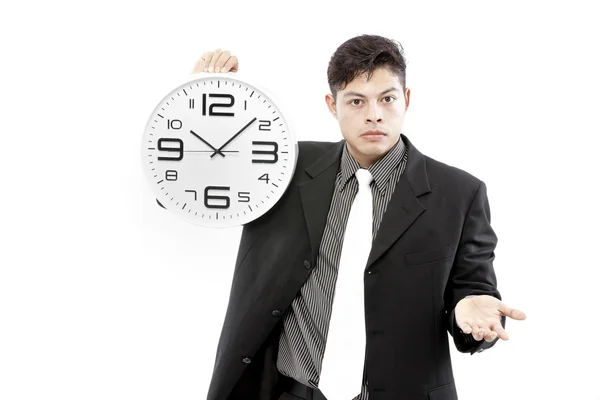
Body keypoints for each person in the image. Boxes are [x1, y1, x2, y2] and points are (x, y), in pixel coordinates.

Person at [190, 35, 527, 400]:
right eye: (356, 101)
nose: (374, 114)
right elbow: (200, 181)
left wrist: (468, 311)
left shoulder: (459, 193)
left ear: (406, 99)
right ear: (332, 105)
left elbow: (475, 293)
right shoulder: (284, 168)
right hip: (290, 393)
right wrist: (201, 98)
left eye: (387, 98)